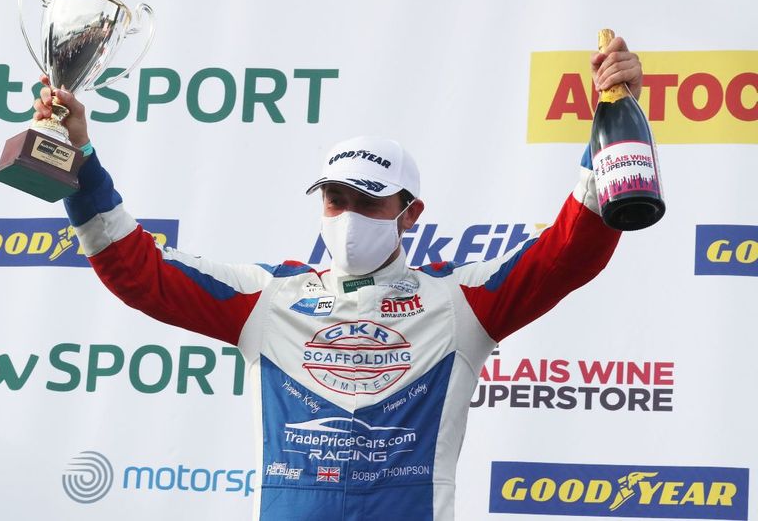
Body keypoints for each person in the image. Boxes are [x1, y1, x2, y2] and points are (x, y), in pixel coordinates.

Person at [33, 37, 643, 521]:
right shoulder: (268, 299)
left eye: (368, 202)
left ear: (411, 213)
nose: (348, 215)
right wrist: (81, 159)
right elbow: (135, 269)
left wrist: (615, 117)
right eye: (334, 199)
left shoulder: (460, 302)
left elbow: (571, 251)